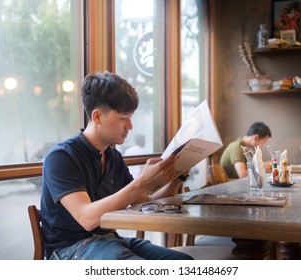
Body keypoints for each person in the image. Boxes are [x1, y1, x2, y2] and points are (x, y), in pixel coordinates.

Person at [40, 71, 193, 260]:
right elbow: (87, 219)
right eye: (123, 118)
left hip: (109, 240)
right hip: (70, 250)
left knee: (183, 261)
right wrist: (141, 183)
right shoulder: (61, 157)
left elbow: (147, 205)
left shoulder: (114, 158)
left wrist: (178, 175)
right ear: (97, 117)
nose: (130, 126)